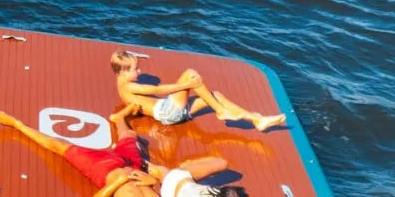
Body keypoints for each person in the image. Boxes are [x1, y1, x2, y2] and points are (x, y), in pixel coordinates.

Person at [0, 106, 225, 197]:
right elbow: (163, 195)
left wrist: (120, 181)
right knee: (130, 136)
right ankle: (119, 119)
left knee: (61, 147)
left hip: (105, 171)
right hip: (133, 167)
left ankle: (17, 125)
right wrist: (149, 181)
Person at [111, 51, 286, 132]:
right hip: (167, 112)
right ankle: (220, 112)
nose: (139, 71)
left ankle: (257, 120)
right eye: (136, 69)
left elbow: (120, 58)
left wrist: (135, 56)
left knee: (215, 96)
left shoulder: (123, 80)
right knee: (190, 74)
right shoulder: (128, 87)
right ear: (123, 72)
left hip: (171, 110)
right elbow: (156, 89)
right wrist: (187, 85)